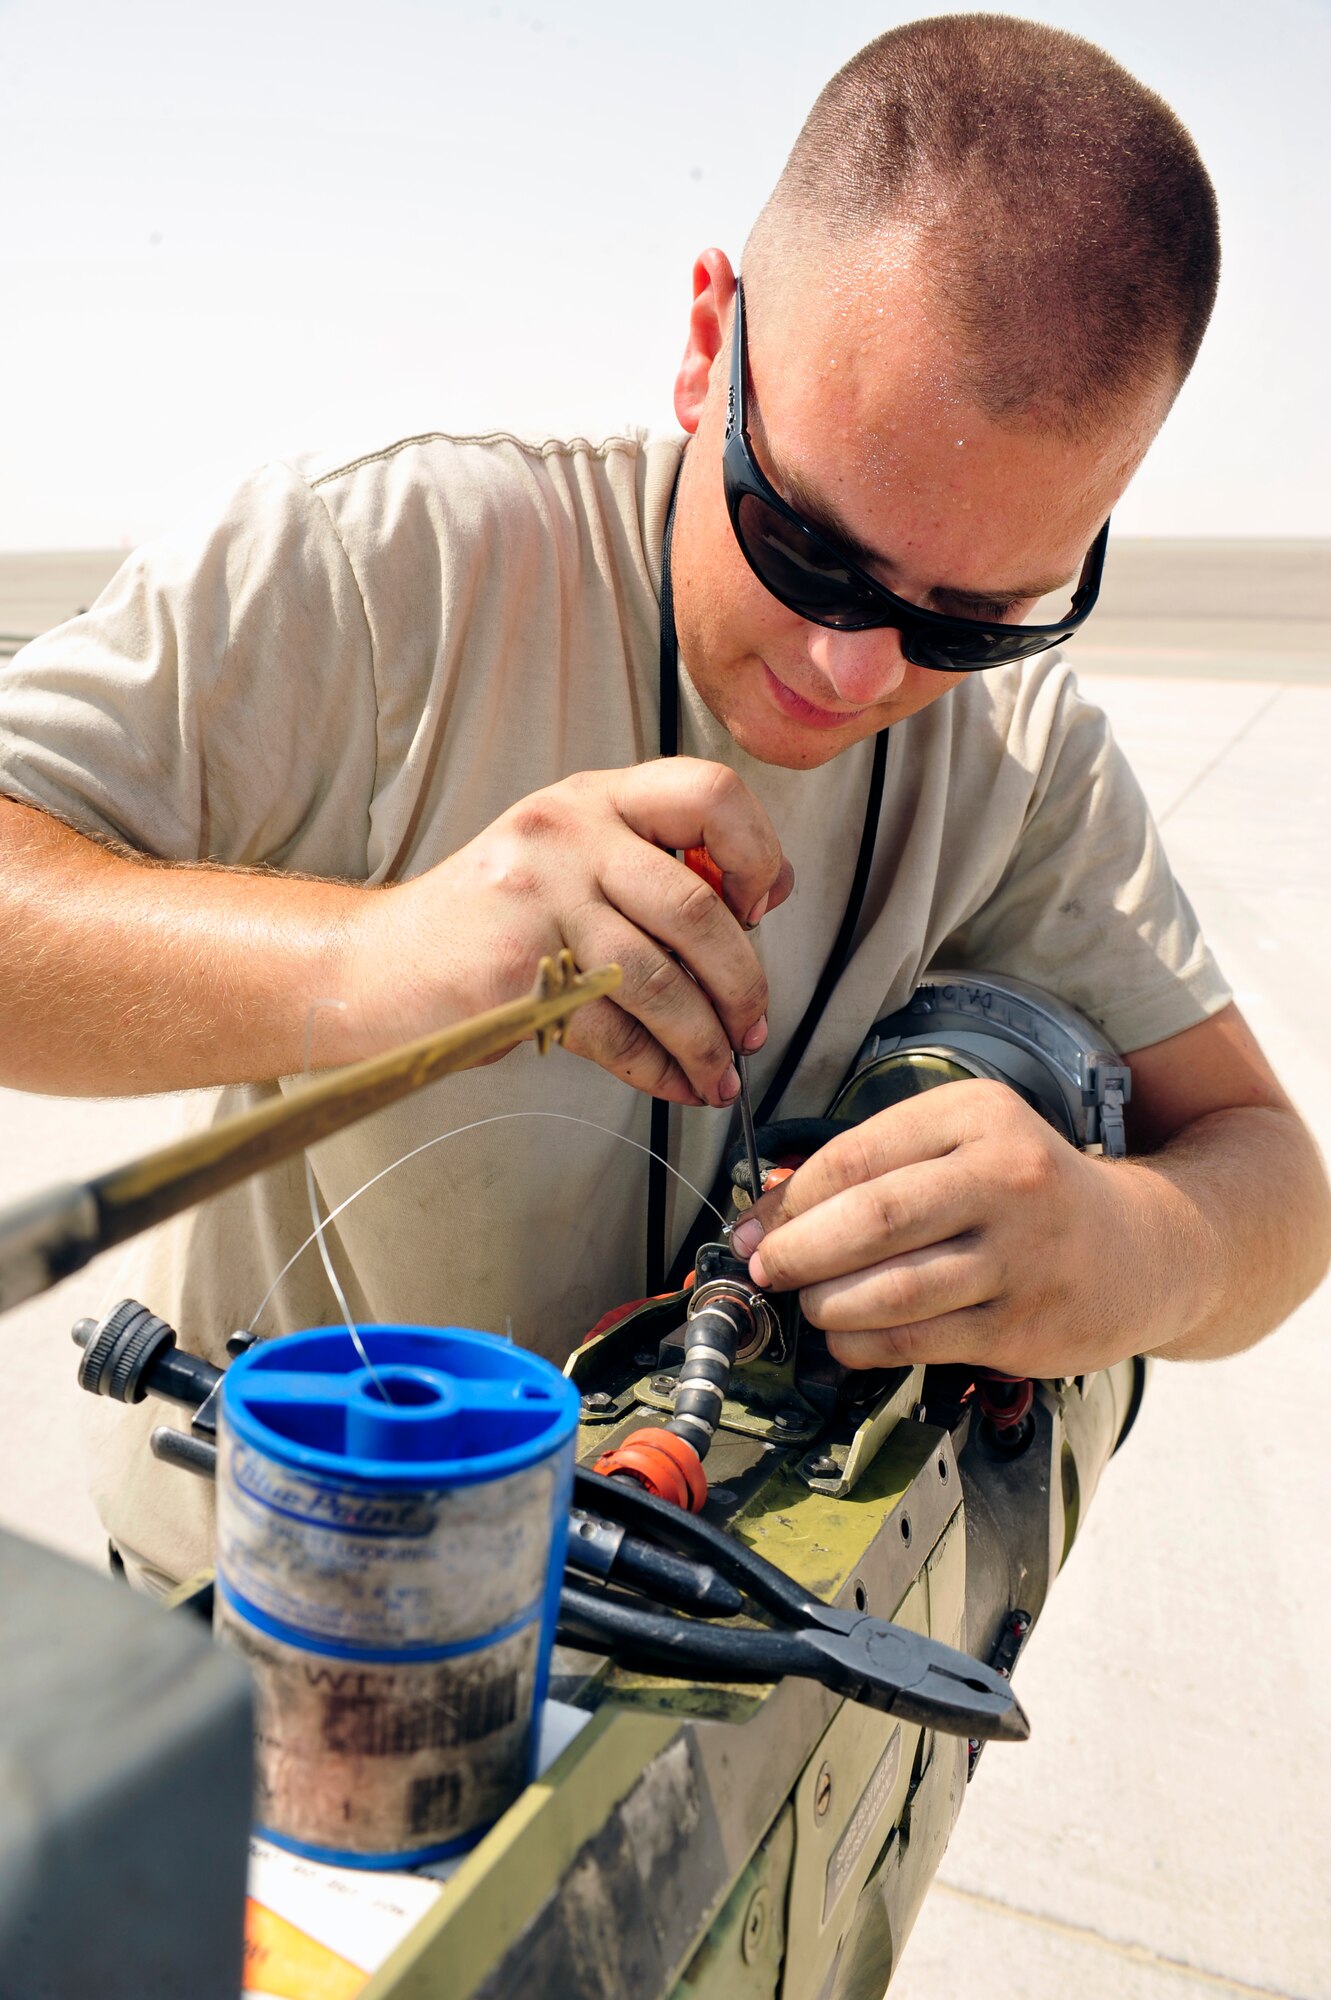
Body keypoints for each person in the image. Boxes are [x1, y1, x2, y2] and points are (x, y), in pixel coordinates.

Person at [1, 16, 1326, 1591]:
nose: (852, 667)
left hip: (675, 1658)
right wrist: (378, 964)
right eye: (806, 544)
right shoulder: (391, 561)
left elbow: (1273, 1187)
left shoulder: (1020, 755)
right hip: (257, 1620)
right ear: (709, 346)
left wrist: (1125, 1250)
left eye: (974, 618)